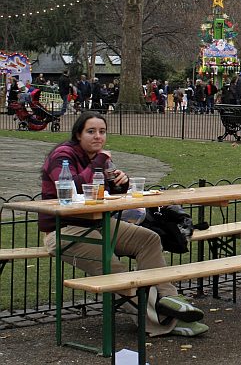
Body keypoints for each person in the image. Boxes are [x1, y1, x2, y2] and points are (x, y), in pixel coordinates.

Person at [40, 112, 207, 337]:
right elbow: (71, 189)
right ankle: (163, 323)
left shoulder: (98, 159)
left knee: (148, 239)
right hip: (64, 230)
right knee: (113, 268)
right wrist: (99, 162)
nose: (98, 136)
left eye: (102, 132)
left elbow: (106, 193)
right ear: (78, 134)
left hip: (99, 224)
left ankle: (169, 299)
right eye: (91, 131)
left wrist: (122, 183)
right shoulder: (63, 156)